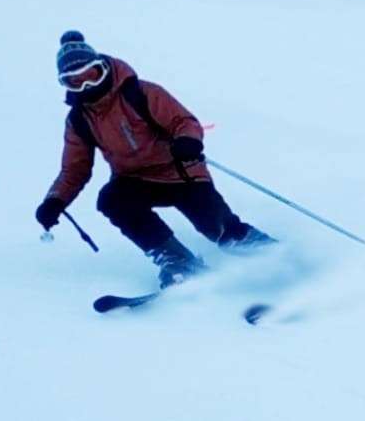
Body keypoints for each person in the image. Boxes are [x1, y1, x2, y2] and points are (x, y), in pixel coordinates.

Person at [36, 31, 273, 288]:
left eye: (91, 75)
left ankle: (270, 255)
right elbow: (75, 169)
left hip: (180, 171)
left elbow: (183, 121)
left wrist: (188, 140)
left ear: (102, 68)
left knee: (217, 228)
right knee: (112, 200)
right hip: (135, 180)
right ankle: (178, 260)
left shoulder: (140, 93)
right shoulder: (80, 120)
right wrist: (55, 200)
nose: (86, 86)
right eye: (75, 82)